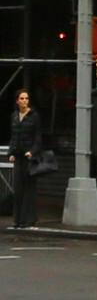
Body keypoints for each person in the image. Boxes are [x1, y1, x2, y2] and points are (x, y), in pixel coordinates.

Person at [8, 90, 40, 231]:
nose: (24, 101)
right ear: (17, 101)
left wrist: (32, 151)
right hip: (19, 156)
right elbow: (14, 136)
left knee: (29, 189)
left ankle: (29, 220)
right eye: (22, 98)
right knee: (18, 188)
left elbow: (38, 137)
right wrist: (11, 152)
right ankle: (18, 220)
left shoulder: (34, 116)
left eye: (26, 98)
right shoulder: (14, 116)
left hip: (29, 157)